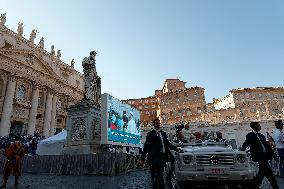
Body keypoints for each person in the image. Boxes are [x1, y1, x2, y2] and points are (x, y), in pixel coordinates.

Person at [140, 118, 177, 189]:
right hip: (153, 158)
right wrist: (142, 158)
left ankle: (160, 187)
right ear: (153, 124)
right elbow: (146, 147)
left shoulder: (163, 133)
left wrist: (176, 148)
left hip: (162, 158)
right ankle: (156, 186)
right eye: (156, 123)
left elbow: (167, 144)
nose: (158, 125)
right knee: (154, 175)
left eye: (159, 123)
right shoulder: (150, 134)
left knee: (160, 175)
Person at [241, 122, 279, 189]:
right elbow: (245, 144)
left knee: (262, 173)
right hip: (259, 158)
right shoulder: (250, 135)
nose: (260, 126)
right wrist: (240, 151)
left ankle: (254, 186)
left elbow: (267, 145)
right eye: (259, 125)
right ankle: (275, 187)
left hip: (265, 157)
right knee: (269, 174)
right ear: (255, 126)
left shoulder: (261, 135)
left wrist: (273, 154)